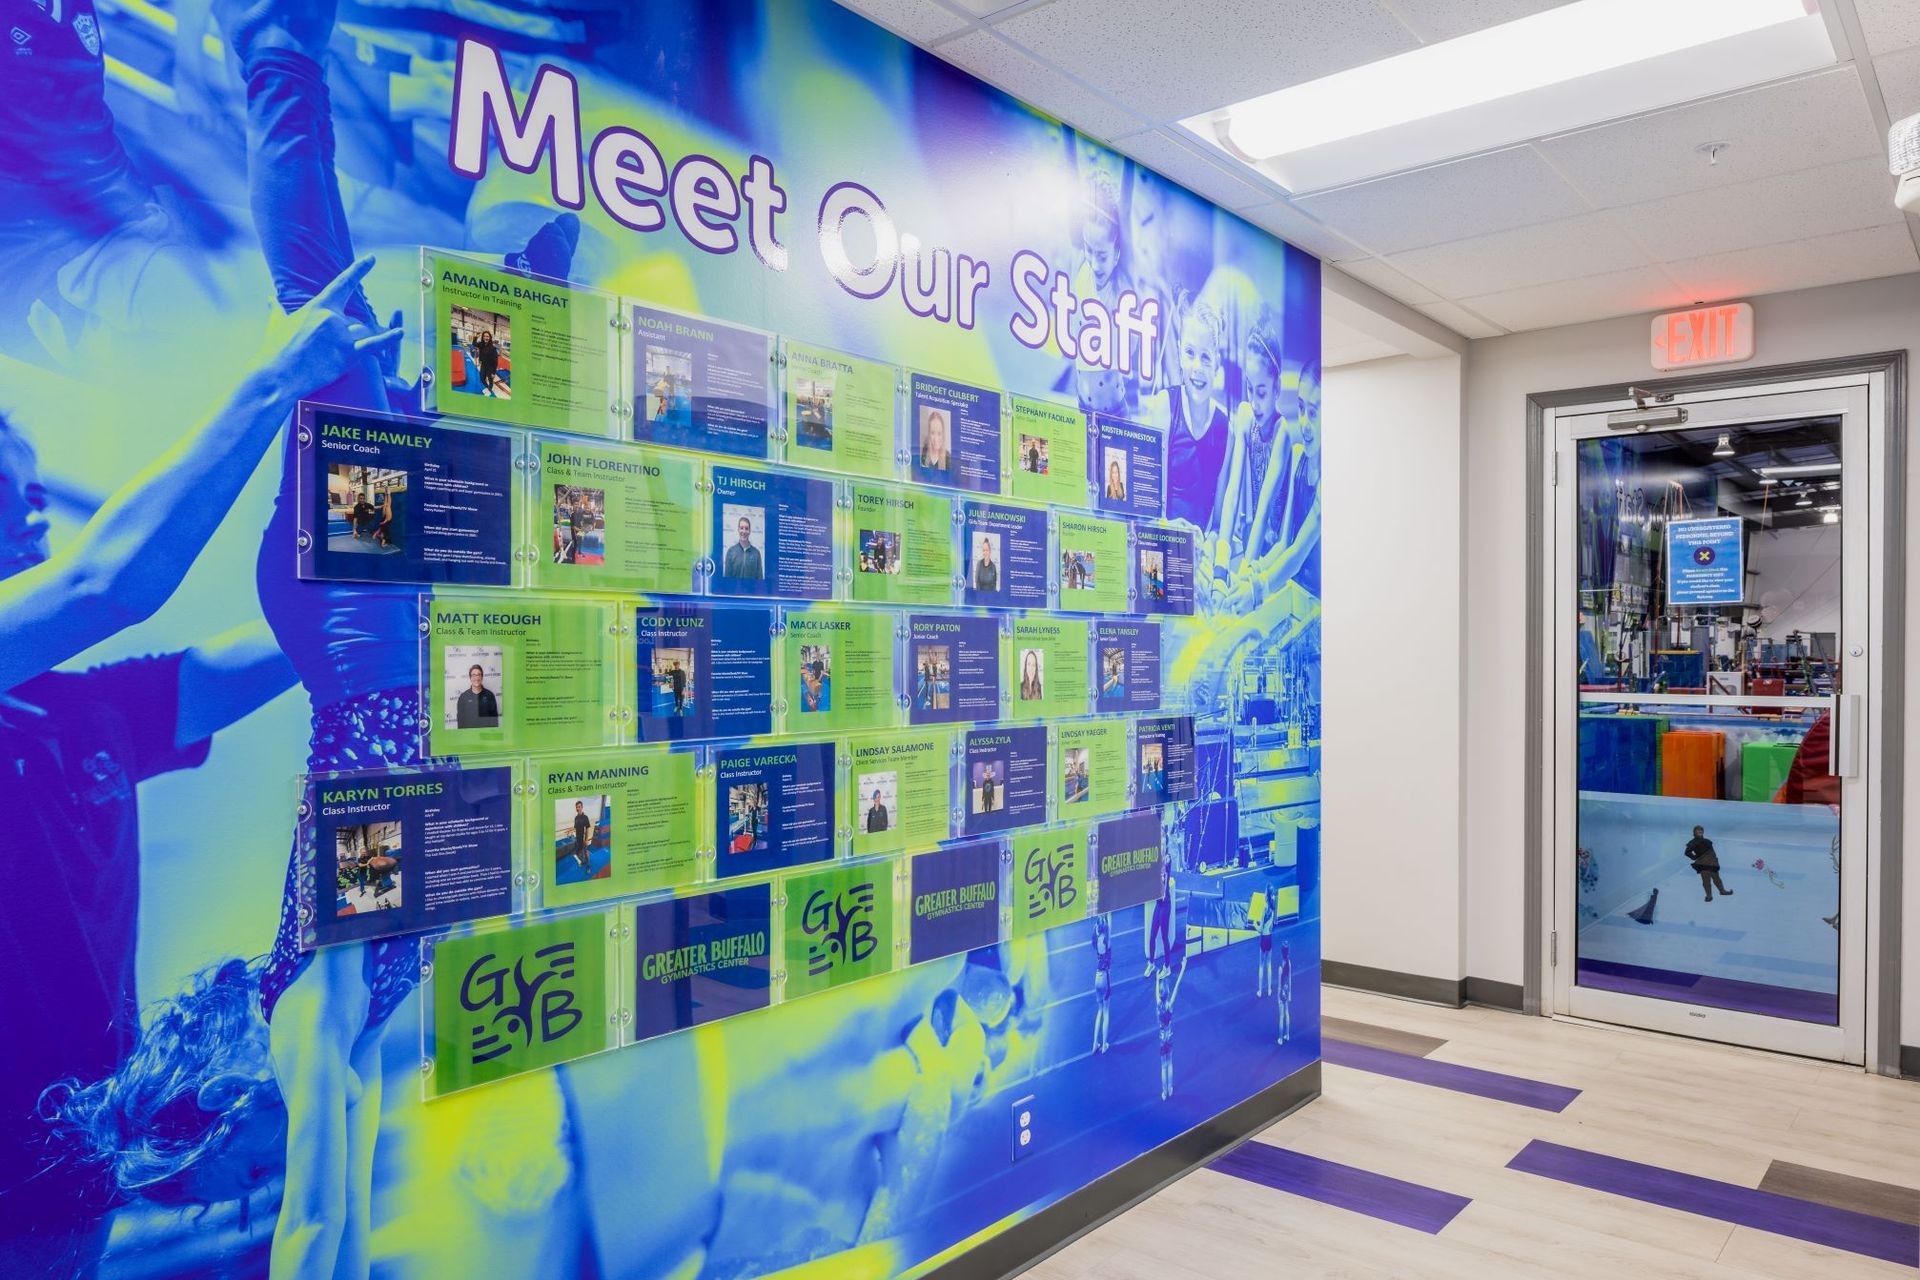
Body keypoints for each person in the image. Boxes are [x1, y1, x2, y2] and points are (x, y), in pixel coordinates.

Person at [0, 252, 392, 1273]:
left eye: (33, 482)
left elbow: (301, 639)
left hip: (68, 1194)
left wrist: (388, 480)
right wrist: (275, 380)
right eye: (6, 484)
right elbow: (109, 583)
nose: (34, 504)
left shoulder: (81, 708)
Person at [1685, 825, 1732, 901]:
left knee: (1717, 879)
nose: (1700, 832)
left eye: (1701, 831)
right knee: (1706, 881)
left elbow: (1712, 851)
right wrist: (1695, 857)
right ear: (1695, 832)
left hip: (1713, 863)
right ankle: (1709, 896)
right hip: (1703, 864)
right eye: (1698, 831)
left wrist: (1715, 860)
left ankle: (1722, 891)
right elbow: (1687, 852)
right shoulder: (1692, 842)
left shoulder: (1707, 841)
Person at [1090, 915, 1112, 1055]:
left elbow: (1097, 927)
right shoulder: (1107, 941)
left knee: (1099, 1011)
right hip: (1105, 977)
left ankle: (1094, 1043)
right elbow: (1110, 925)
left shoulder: (1095, 939)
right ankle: (1104, 1045)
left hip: (1096, 977)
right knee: (1106, 1011)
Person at [456, 663, 500, 729]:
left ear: (482, 677)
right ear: (470, 678)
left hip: (485, 734)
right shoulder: (463, 697)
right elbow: (460, 721)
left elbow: (494, 721)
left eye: (479, 675)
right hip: (470, 734)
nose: (476, 678)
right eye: (474, 675)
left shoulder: (490, 696)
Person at [724, 514, 762, 579]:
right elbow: (727, 579)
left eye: (746, 528)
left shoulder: (756, 553)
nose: (744, 531)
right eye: (741, 528)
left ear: (749, 531)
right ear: (738, 530)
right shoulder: (731, 552)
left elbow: (759, 579)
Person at [920, 409, 951, 473]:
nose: (936, 439)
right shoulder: (924, 452)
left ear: (943, 434)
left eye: (939, 433)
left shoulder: (948, 457)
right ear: (928, 433)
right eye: (932, 433)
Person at [570, 800, 593, 875]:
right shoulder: (576, 818)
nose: (578, 808)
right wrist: (572, 832)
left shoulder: (585, 817)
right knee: (579, 852)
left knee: (586, 852)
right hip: (578, 838)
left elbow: (587, 829)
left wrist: (586, 839)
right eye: (577, 807)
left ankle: (588, 866)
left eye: (579, 807)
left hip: (583, 839)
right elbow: (576, 828)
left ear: (582, 807)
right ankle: (583, 862)